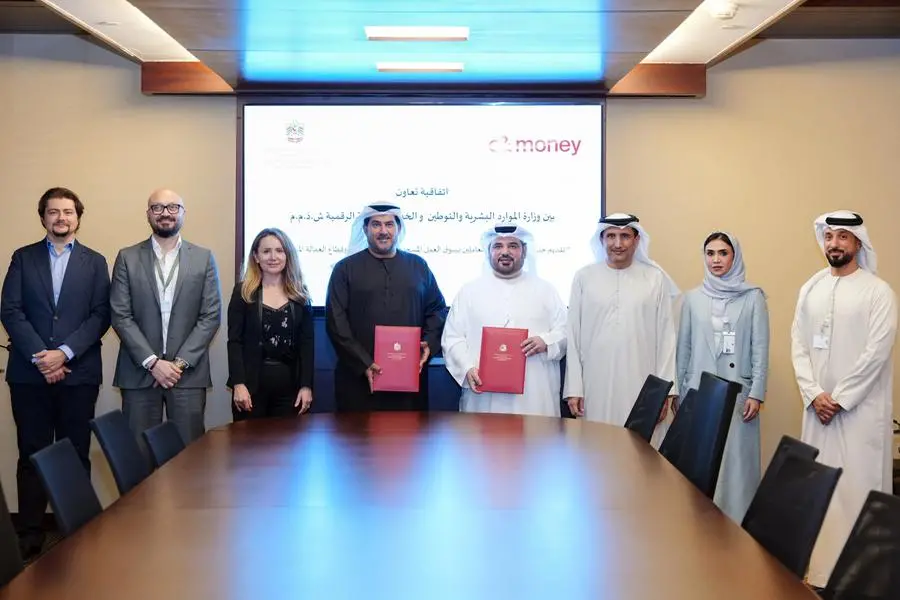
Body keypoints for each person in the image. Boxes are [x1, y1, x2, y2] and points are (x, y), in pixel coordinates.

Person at [0, 187, 110, 558]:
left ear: (78, 217)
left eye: (67, 211)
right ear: (43, 217)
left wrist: (63, 354)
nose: (61, 218)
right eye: (53, 212)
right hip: (29, 375)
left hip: (78, 375)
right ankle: (30, 533)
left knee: (75, 451)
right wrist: (41, 357)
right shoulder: (23, 258)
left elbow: (101, 315)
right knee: (31, 452)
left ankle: (75, 530)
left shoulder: (95, 262)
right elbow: (10, 310)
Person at [791, 210, 897, 589]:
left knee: (857, 490)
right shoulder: (811, 288)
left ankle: (861, 580)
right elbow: (798, 345)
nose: (834, 243)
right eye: (829, 236)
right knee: (821, 491)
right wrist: (814, 393)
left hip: (858, 414)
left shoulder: (878, 292)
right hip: (817, 412)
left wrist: (838, 399)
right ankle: (818, 575)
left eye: (842, 236)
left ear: (857, 242)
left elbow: (876, 352)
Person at [110, 189, 221, 453]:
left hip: (187, 375)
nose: (165, 213)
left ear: (183, 213)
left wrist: (177, 364)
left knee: (189, 458)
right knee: (138, 458)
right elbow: (120, 315)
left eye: (173, 207)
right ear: (148, 214)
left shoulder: (203, 258)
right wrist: (153, 362)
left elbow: (211, 315)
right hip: (139, 373)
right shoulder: (127, 257)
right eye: (157, 207)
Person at [677, 231, 769, 523]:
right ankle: (702, 528)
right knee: (702, 463)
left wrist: (757, 392)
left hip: (739, 395)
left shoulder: (753, 297)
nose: (716, 260)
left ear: (735, 257)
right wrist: (681, 392)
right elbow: (684, 349)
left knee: (736, 465)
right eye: (710, 253)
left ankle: (738, 528)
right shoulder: (692, 298)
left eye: (723, 253)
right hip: (700, 394)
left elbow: (760, 348)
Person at [325, 203, 447, 412]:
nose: (383, 231)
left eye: (389, 224)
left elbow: (437, 309)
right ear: (365, 229)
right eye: (376, 225)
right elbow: (336, 323)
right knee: (357, 433)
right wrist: (364, 362)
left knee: (407, 432)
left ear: (398, 229)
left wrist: (428, 342)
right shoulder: (344, 269)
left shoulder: (419, 266)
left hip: (409, 377)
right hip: (359, 379)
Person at [564, 213, 679, 430]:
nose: (618, 244)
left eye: (625, 236)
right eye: (611, 236)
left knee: (639, 445)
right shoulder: (583, 277)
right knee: (596, 441)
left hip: (642, 382)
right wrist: (574, 388)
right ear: (601, 239)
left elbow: (666, 338)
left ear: (636, 240)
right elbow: (573, 335)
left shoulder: (654, 278)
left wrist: (665, 392)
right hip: (594, 383)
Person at [442, 224, 567, 416]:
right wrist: (466, 368)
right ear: (489, 251)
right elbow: (452, 338)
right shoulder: (469, 292)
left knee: (535, 435)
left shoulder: (546, 290)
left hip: (533, 396)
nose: (505, 252)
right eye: (498, 246)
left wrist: (546, 342)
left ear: (524, 251)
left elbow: (566, 331)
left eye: (513, 246)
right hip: (483, 396)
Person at [227, 228, 314, 419]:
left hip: (290, 391)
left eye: (279, 251)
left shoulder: (300, 294)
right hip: (250, 389)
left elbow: (306, 346)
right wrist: (238, 384)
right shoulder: (243, 292)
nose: (273, 257)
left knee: (286, 439)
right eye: (266, 251)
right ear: (256, 257)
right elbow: (234, 342)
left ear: (287, 255)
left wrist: (306, 386)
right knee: (249, 439)